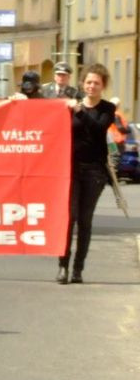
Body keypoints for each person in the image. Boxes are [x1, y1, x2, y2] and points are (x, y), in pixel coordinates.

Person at [59, 64, 115, 284]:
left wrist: (80, 111)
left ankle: (78, 269)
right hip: (71, 169)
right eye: (89, 82)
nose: (92, 86)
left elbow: (98, 129)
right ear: (82, 84)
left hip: (95, 172)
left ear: (103, 86)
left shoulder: (107, 109)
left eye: (96, 83)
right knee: (69, 218)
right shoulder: (70, 105)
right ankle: (63, 266)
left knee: (85, 220)